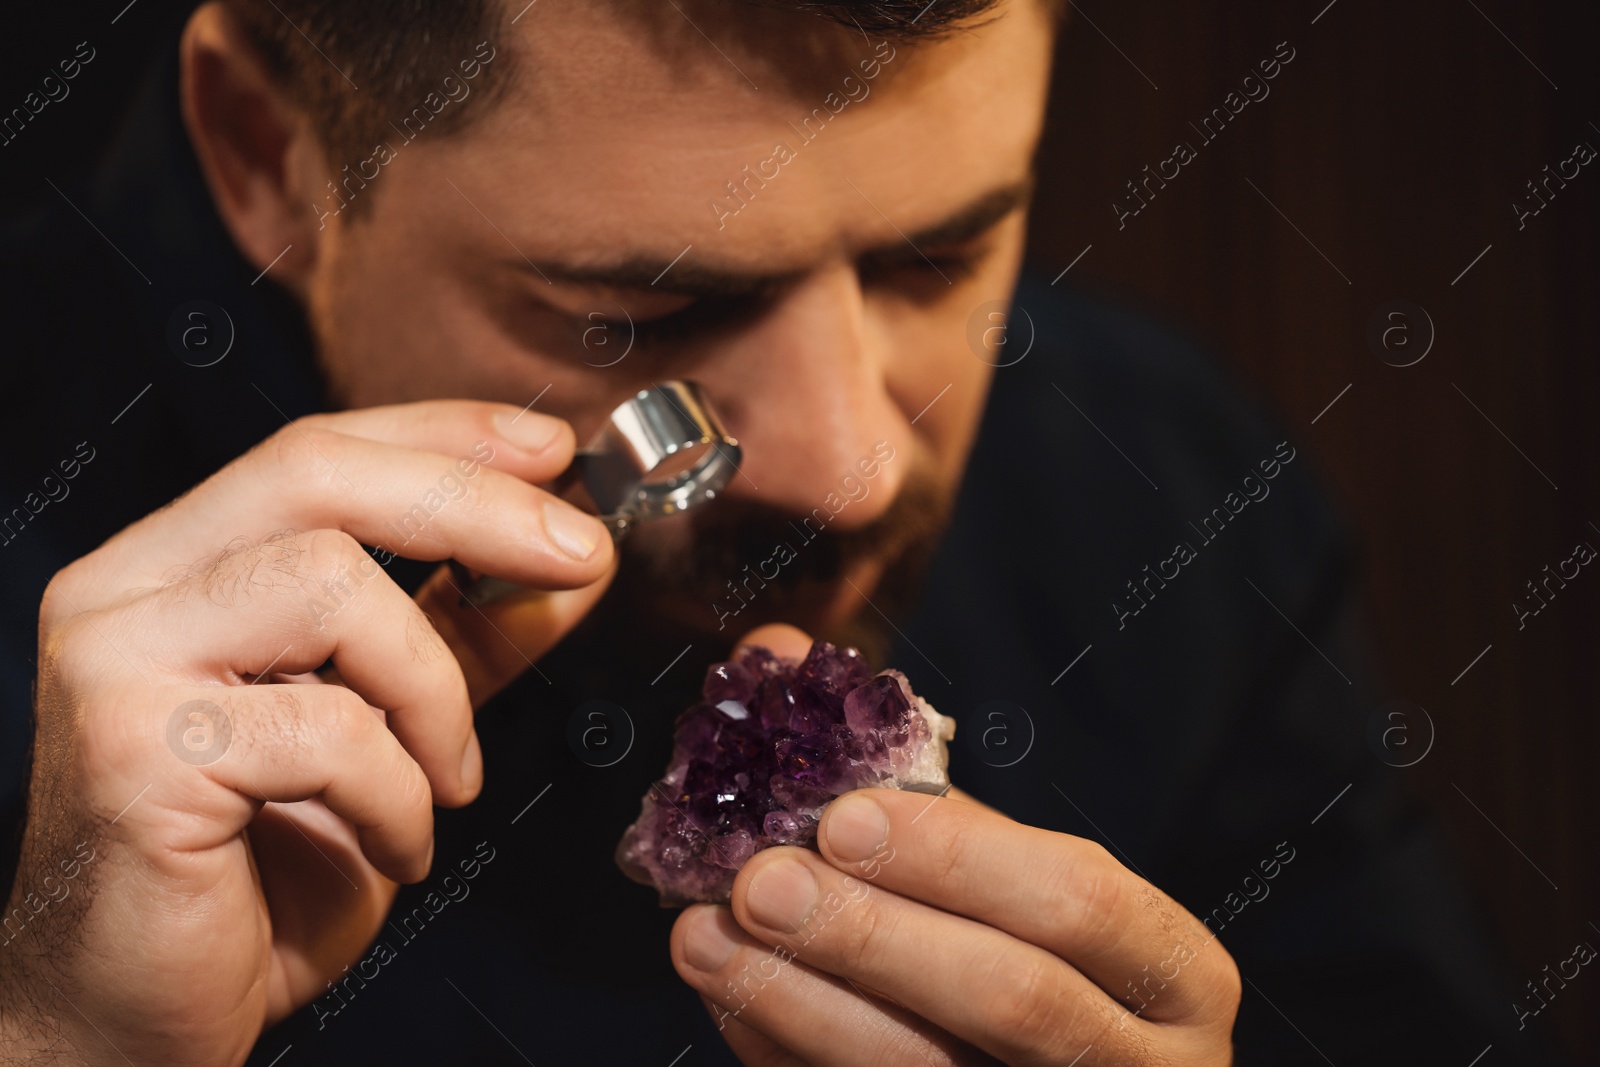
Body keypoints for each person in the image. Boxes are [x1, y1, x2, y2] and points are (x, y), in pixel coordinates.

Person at [0, 1, 1553, 1064]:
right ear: (273, 157)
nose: (852, 468)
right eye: (650, 311)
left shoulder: (1175, 504)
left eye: (937, 261)